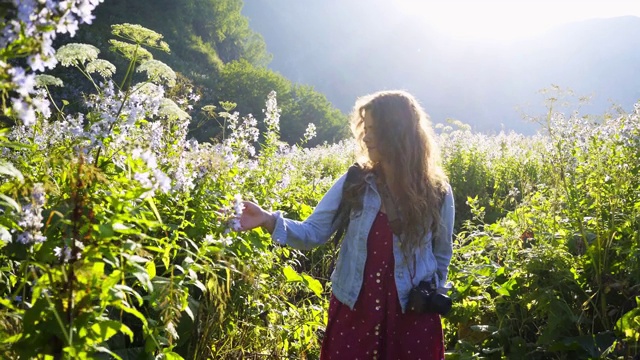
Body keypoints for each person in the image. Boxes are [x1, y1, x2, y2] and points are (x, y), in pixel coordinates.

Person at [238, 90, 455, 360]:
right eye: (366, 128)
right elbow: (314, 232)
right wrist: (267, 219)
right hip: (356, 311)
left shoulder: (436, 191)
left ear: (396, 132)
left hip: (411, 318)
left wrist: (428, 296)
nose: (366, 136)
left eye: (374, 129)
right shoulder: (356, 182)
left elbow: (442, 254)